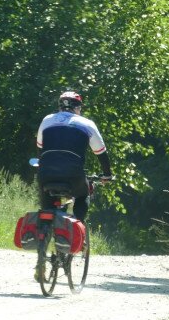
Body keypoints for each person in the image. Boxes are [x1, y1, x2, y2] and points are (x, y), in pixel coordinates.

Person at [35, 90, 113, 223]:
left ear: (60, 107)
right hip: (73, 174)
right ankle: (78, 225)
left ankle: (43, 229)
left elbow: (39, 150)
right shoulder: (87, 124)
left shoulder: (47, 120)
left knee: (46, 196)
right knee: (83, 194)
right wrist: (107, 175)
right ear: (78, 107)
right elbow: (101, 153)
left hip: (46, 173)